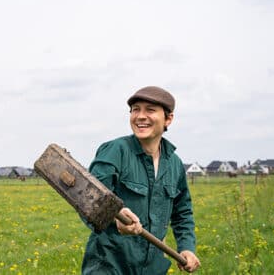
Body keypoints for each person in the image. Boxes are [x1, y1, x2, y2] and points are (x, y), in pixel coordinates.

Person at [82, 86, 200, 274]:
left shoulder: (174, 164)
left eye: (150, 110)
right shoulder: (115, 151)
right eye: (135, 109)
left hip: (152, 268)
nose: (140, 116)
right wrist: (115, 215)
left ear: (168, 119)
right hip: (110, 265)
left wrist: (186, 247)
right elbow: (87, 200)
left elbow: (182, 212)